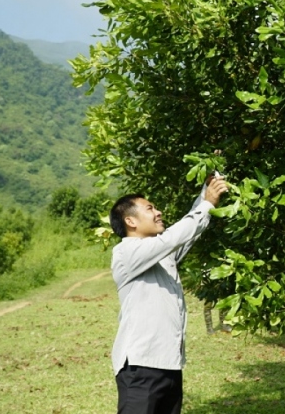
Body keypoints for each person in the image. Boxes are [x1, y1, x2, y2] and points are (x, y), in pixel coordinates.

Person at [110, 174, 227, 414]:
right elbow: (174, 237)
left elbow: (189, 231)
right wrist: (207, 203)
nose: (158, 212)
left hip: (169, 364)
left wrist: (207, 189)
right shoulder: (127, 252)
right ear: (130, 221)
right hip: (140, 367)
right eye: (150, 208)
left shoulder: (161, 253)